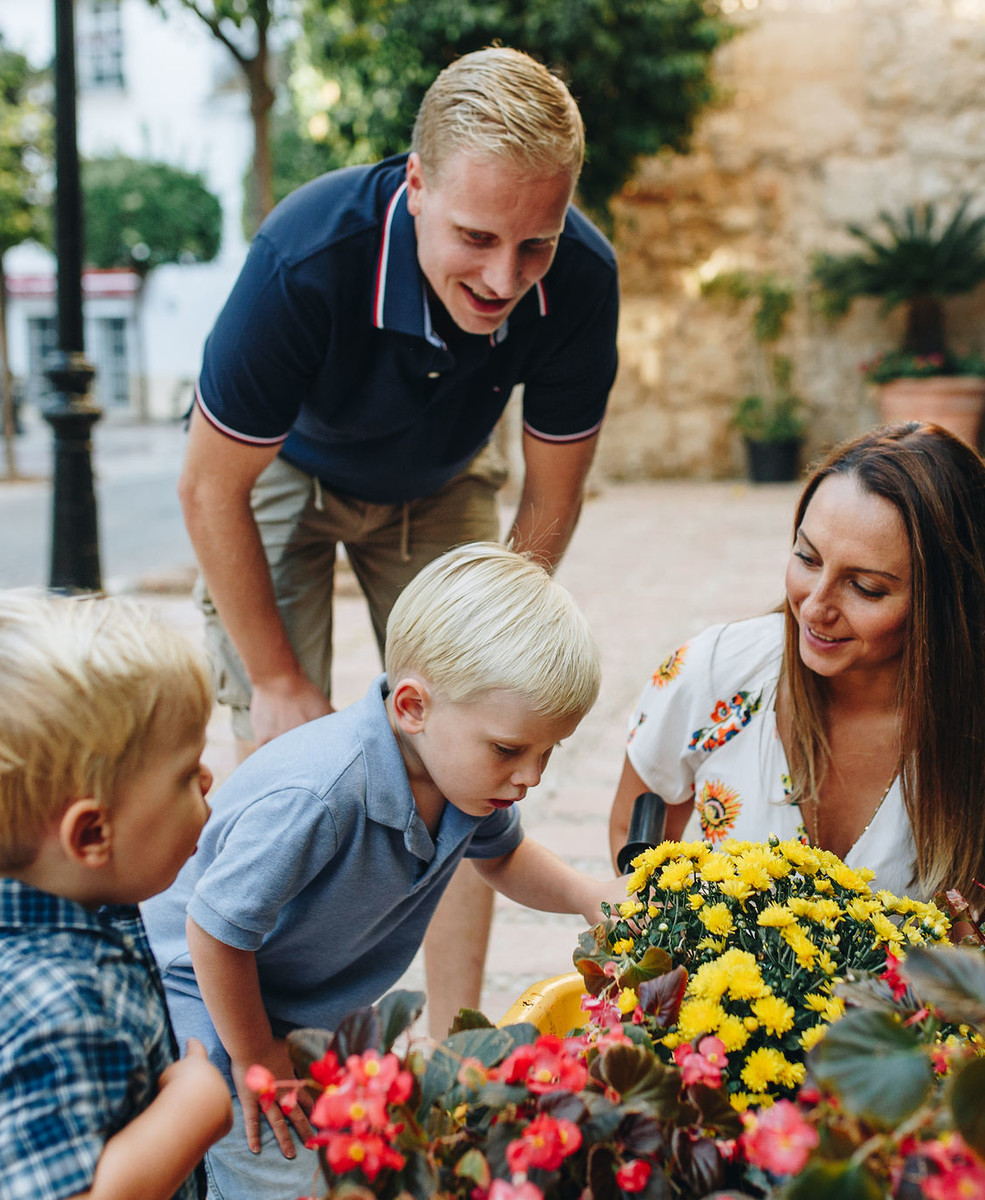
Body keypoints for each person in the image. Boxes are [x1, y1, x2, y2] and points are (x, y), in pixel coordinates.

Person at [179, 46, 619, 1038]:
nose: (505, 277)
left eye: (536, 243)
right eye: (476, 236)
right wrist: (278, 679)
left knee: (462, 742)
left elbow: (552, 497)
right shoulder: (306, 256)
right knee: (282, 733)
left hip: (443, 473)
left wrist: (501, 650)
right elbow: (211, 486)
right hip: (283, 470)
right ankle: (268, 1026)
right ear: (415, 185)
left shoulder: (582, 280)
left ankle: (450, 1039)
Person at [142, 544, 624, 1199]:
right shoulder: (319, 794)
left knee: (355, 1162)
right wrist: (259, 1060)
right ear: (413, 707)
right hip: (209, 1006)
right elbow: (213, 933)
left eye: (548, 751)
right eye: (510, 749)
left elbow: (504, 855)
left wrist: (586, 894)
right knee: (284, 1175)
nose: (531, 776)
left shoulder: (462, 780)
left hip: (301, 1008)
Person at [0, 589, 234, 1200]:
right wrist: (192, 1112)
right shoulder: (61, 1004)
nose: (209, 778)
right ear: (91, 833)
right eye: (187, 772)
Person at [607, 423, 985, 902]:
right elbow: (634, 837)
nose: (815, 607)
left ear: (947, 606)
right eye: (807, 558)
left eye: (866, 588)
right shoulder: (714, 673)